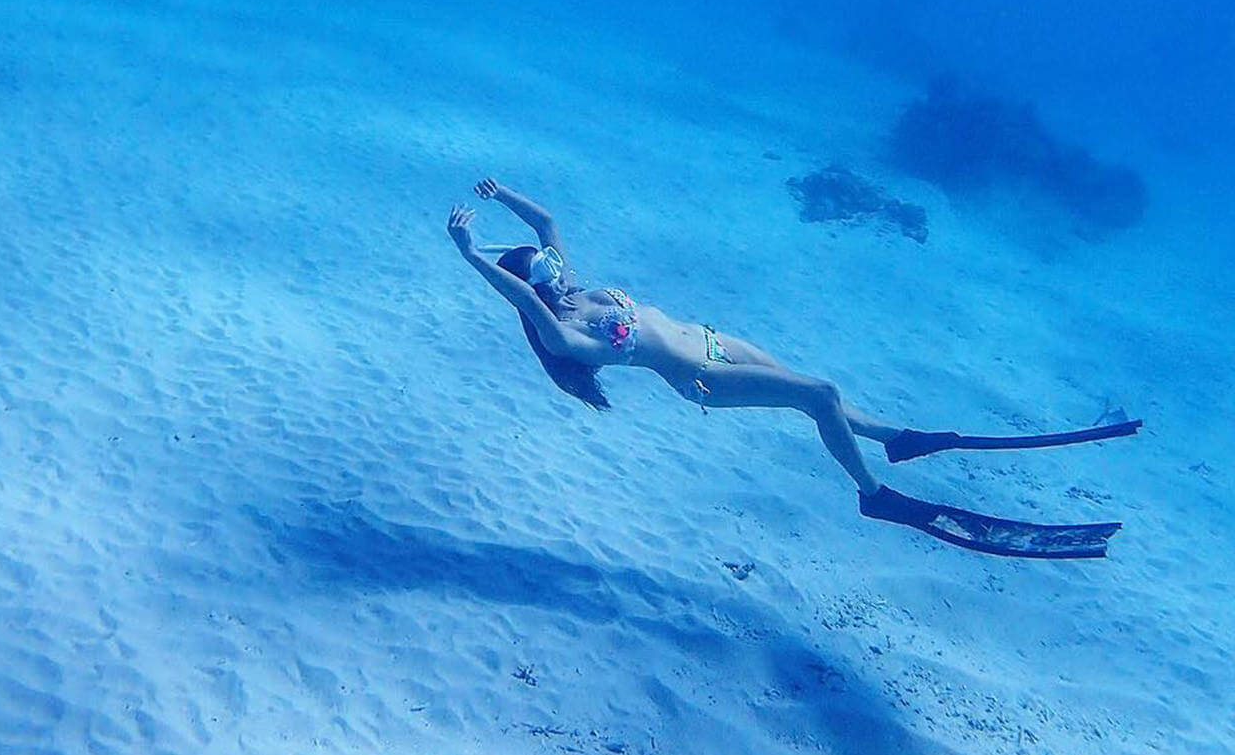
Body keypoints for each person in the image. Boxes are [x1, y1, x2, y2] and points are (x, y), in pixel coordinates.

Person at [448, 178, 1140, 559]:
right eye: (539, 270)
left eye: (544, 262)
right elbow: (519, 294)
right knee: (819, 393)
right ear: (531, 290)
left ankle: (894, 437)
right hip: (703, 379)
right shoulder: (565, 331)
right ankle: (872, 490)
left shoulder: (574, 284)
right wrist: (472, 256)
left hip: (717, 341)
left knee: (827, 397)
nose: (548, 264)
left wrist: (502, 193)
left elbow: (548, 220)